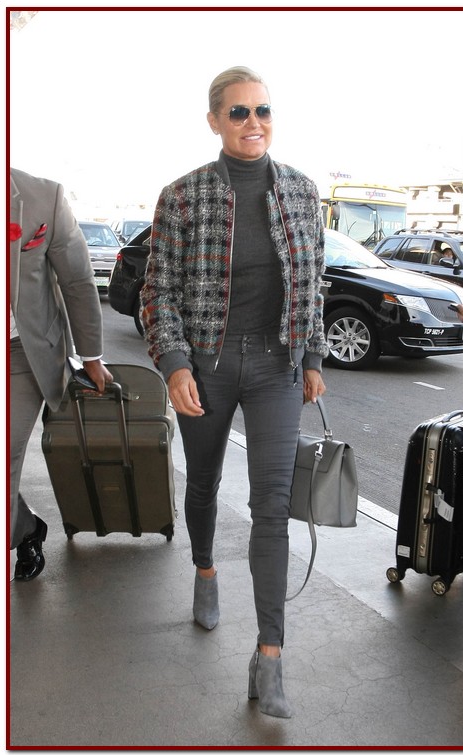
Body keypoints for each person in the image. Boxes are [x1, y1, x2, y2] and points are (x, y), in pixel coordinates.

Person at [140, 66, 328, 718]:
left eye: (263, 111)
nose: (255, 122)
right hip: (209, 366)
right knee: (204, 483)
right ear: (216, 120)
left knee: (273, 505)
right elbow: (157, 290)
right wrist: (176, 363)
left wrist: (310, 354)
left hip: (276, 367)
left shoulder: (302, 192)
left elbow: (315, 283)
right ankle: (204, 567)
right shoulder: (184, 195)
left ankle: (269, 655)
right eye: (240, 112)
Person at [10, 168, 113, 581]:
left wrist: (91, 356)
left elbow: (76, 280)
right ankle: (26, 528)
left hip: (21, 353)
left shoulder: (43, 197)